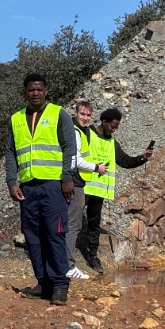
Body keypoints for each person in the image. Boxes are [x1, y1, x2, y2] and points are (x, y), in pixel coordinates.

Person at [5, 74, 76, 305]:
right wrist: (11, 182)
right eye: (31, 89)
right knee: (33, 237)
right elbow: (10, 152)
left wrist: (67, 177)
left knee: (55, 234)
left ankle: (60, 286)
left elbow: (70, 147)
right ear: (24, 92)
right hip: (28, 187)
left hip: (54, 185)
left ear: (46, 91)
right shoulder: (16, 119)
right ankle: (43, 283)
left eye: (39, 89)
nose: (35, 93)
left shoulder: (59, 114)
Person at [82, 108, 153, 273]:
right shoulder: (87, 134)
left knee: (94, 224)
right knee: (72, 221)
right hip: (82, 186)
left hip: (99, 190)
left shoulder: (112, 143)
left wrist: (143, 158)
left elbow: (125, 161)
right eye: (112, 126)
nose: (114, 130)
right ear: (104, 121)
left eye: (116, 127)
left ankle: (92, 256)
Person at [65, 100, 108, 280]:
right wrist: (96, 168)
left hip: (73, 181)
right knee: (73, 225)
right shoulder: (75, 131)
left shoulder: (78, 130)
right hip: (74, 182)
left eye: (88, 115)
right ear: (75, 113)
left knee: (68, 223)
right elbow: (75, 160)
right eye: (82, 114)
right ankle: (68, 266)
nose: (85, 118)